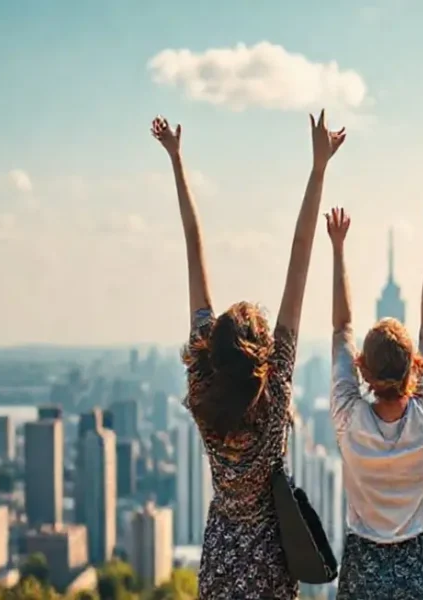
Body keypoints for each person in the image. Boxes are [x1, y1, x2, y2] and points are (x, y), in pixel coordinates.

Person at [151, 110, 346, 599]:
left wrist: (176, 160)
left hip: (221, 559)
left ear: (213, 352)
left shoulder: (203, 389)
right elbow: (300, 254)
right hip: (269, 565)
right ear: (263, 356)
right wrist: (319, 168)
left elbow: (193, 246)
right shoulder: (274, 393)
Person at [327, 204, 423, 600]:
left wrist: (338, 250)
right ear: (414, 365)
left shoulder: (349, 418)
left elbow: (342, 329)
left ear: (362, 368)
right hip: (421, 562)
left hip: (363, 564)